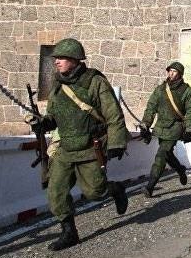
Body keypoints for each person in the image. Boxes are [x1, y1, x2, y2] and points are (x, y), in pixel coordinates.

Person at [25, 38, 129, 251]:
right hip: (65, 149)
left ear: (75, 59)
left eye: (61, 58)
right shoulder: (57, 85)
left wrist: (117, 142)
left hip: (91, 148)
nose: (56, 62)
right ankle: (69, 233)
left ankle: (116, 189)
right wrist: (41, 123)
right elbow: (53, 116)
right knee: (56, 193)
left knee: (94, 192)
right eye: (56, 58)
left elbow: (113, 114)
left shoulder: (95, 82)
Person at [140, 62, 191, 197]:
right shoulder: (160, 89)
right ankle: (180, 169)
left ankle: (150, 186)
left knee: (161, 154)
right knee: (167, 154)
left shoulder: (187, 91)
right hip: (161, 127)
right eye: (170, 71)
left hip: (175, 127)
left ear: (180, 74)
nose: (171, 73)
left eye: (174, 71)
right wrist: (145, 124)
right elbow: (151, 107)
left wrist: (189, 129)